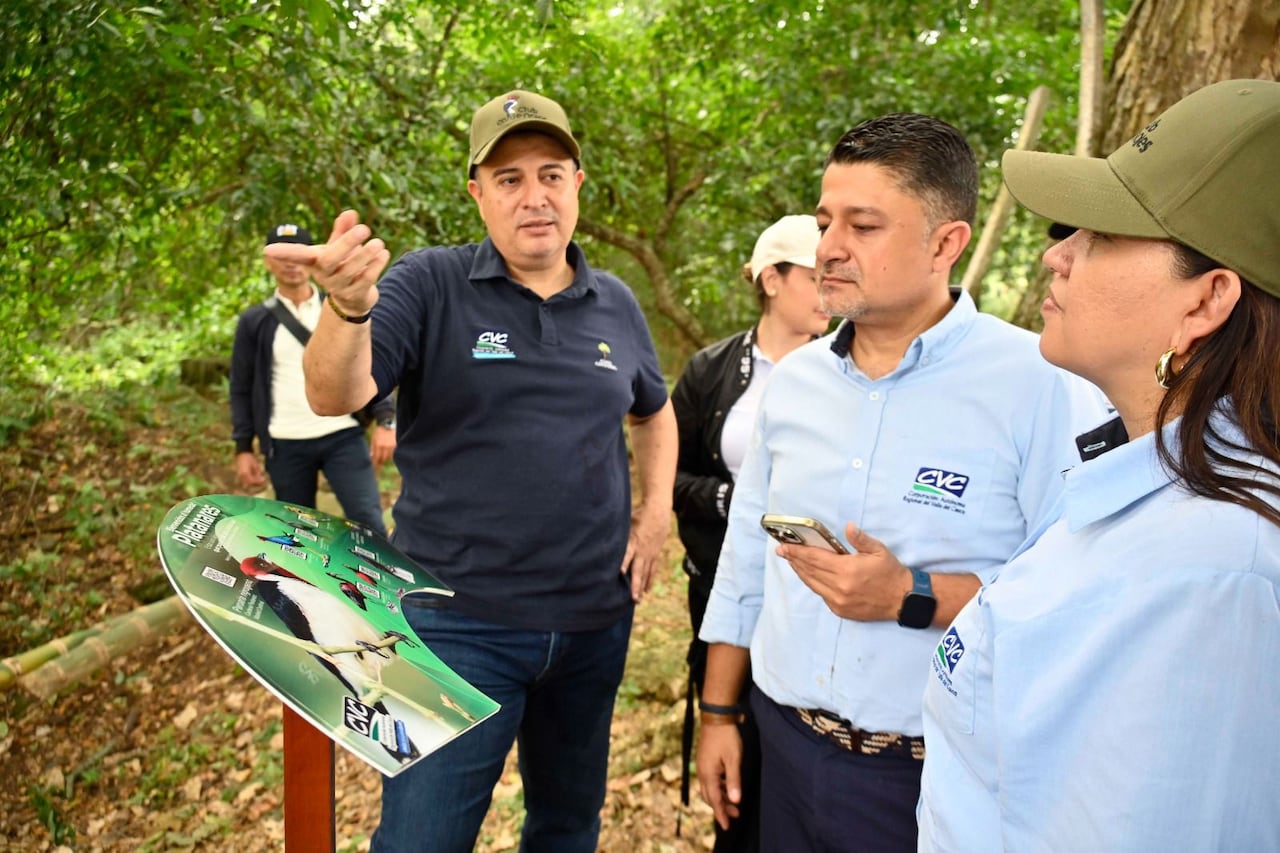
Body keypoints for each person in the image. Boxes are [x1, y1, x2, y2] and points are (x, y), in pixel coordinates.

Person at [264, 90, 678, 853]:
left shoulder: (615, 302)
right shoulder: (430, 284)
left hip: (592, 624)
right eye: (510, 178)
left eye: (551, 174)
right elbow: (334, 391)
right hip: (454, 627)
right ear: (477, 193)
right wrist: (348, 309)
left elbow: (654, 411)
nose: (535, 197)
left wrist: (654, 517)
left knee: (566, 827)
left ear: (578, 184)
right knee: (421, 840)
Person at [694, 113, 1110, 852]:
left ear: (945, 242)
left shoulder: (1039, 385)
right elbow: (745, 564)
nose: (829, 248)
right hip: (783, 750)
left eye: (864, 224)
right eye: (825, 221)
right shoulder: (795, 386)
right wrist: (720, 712)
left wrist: (912, 594)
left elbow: (1078, 601)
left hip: (936, 777)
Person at [918, 78, 1280, 852]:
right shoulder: (1154, 488)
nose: (1058, 254)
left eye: (1103, 234)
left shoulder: (1214, 573)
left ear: (1208, 300)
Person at [672, 213, 829, 851]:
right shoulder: (711, 371)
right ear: (772, 278)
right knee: (734, 740)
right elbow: (666, 476)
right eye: (815, 276)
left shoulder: (849, 369)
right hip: (721, 586)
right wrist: (734, 499)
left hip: (815, 597)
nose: (830, 288)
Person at [230, 223, 394, 535]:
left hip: (342, 435)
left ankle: (384, 584)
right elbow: (241, 385)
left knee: (369, 522)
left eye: (300, 256)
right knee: (296, 533)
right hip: (285, 441)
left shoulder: (340, 306)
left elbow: (367, 361)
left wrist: (387, 420)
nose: (292, 264)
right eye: (283, 256)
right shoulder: (255, 321)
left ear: (314, 259)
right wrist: (243, 447)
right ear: (268, 261)